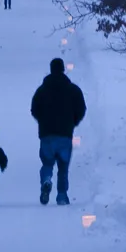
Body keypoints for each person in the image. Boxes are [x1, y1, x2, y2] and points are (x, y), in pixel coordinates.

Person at [29, 57, 86, 205]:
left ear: (51, 69)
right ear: (63, 69)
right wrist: (73, 122)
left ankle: (46, 180)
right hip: (65, 134)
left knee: (47, 163)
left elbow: (34, 109)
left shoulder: (42, 90)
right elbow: (81, 109)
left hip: (47, 134)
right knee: (63, 167)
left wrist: (42, 121)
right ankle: (61, 196)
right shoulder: (73, 90)